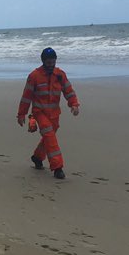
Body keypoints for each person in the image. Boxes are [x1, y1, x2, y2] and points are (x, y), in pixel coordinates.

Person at [16, 47, 80, 180]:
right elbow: (26, 97)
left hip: (54, 114)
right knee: (50, 137)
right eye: (48, 62)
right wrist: (21, 114)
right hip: (39, 112)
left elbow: (68, 91)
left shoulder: (60, 75)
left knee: (49, 137)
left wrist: (74, 104)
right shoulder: (34, 76)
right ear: (43, 61)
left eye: (53, 61)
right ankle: (57, 168)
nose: (51, 64)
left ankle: (37, 157)